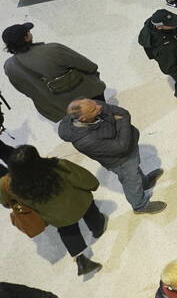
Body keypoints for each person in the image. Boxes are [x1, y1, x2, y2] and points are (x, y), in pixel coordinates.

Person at [0, 144, 105, 276]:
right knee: (91, 214)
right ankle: (98, 230)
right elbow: (80, 176)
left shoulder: (8, 185)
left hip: (55, 216)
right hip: (79, 201)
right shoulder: (57, 166)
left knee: (68, 232)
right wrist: (93, 184)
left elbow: (6, 203)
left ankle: (81, 260)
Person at [57, 99, 164, 214]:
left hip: (128, 148)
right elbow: (121, 146)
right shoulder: (86, 141)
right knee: (131, 180)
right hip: (120, 160)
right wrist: (121, 121)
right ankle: (140, 205)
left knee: (135, 170)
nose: (99, 107)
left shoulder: (91, 106)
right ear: (83, 119)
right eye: (94, 109)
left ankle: (144, 183)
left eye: (95, 104)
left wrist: (120, 122)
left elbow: (123, 112)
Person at [2, 23, 105, 122]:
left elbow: (25, 91)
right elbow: (90, 66)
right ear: (26, 38)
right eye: (28, 31)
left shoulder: (9, 67)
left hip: (59, 108)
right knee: (104, 116)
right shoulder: (53, 49)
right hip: (87, 97)